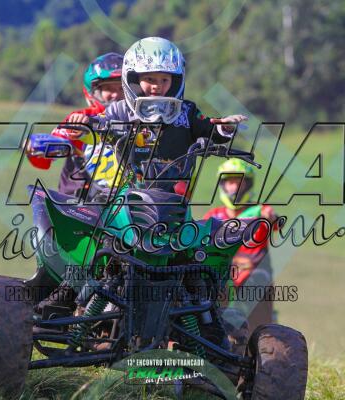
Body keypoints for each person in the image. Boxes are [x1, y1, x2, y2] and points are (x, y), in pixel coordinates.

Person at [66, 37, 247, 169]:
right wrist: (84, 125)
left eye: (164, 80)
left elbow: (208, 129)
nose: (157, 86)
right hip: (127, 189)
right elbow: (101, 124)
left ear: (176, 81)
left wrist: (225, 127)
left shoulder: (187, 111)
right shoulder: (120, 109)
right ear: (134, 80)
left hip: (175, 192)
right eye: (150, 79)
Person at [203, 159, 278, 354]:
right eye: (230, 182)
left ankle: (260, 346)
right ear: (222, 185)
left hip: (253, 276)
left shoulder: (260, 211)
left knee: (258, 281)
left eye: (239, 182)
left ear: (248, 185)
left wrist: (270, 217)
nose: (234, 187)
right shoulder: (213, 216)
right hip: (223, 276)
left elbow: (274, 219)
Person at [27, 52, 124, 196]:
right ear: (94, 92)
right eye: (109, 89)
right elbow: (45, 158)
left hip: (127, 194)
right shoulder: (81, 118)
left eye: (122, 88)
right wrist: (37, 146)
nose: (116, 94)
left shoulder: (140, 117)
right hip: (83, 198)